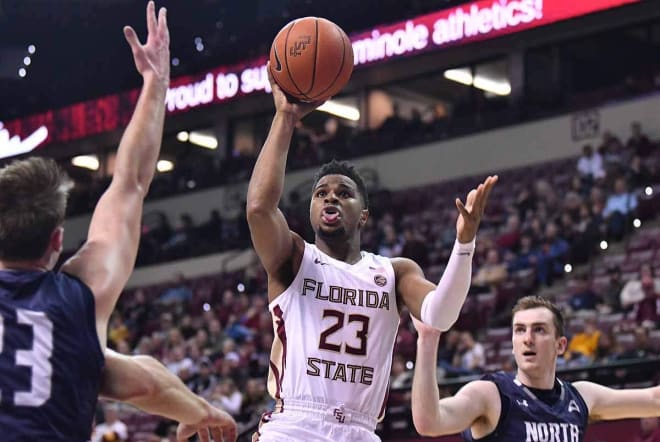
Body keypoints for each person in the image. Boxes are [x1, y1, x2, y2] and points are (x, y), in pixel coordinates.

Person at [0, 3, 236, 440]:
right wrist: (156, 84)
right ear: (57, 239)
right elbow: (130, 183)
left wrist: (193, 407)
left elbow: (141, 380)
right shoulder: (81, 296)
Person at [245, 66, 497, 441]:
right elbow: (259, 209)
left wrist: (464, 244)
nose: (331, 196)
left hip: (361, 430)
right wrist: (285, 118)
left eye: (344, 192)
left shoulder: (394, 272)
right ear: (312, 211)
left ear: (363, 214)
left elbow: (440, 315)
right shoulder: (295, 258)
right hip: (295, 425)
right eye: (321, 193)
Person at [411, 296, 660, 441]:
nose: (527, 338)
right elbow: (429, 422)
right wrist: (427, 339)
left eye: (538, 330)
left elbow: (653, 399)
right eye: (520, 330)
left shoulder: (581, 397)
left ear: (560, 345)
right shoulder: (491, 395)